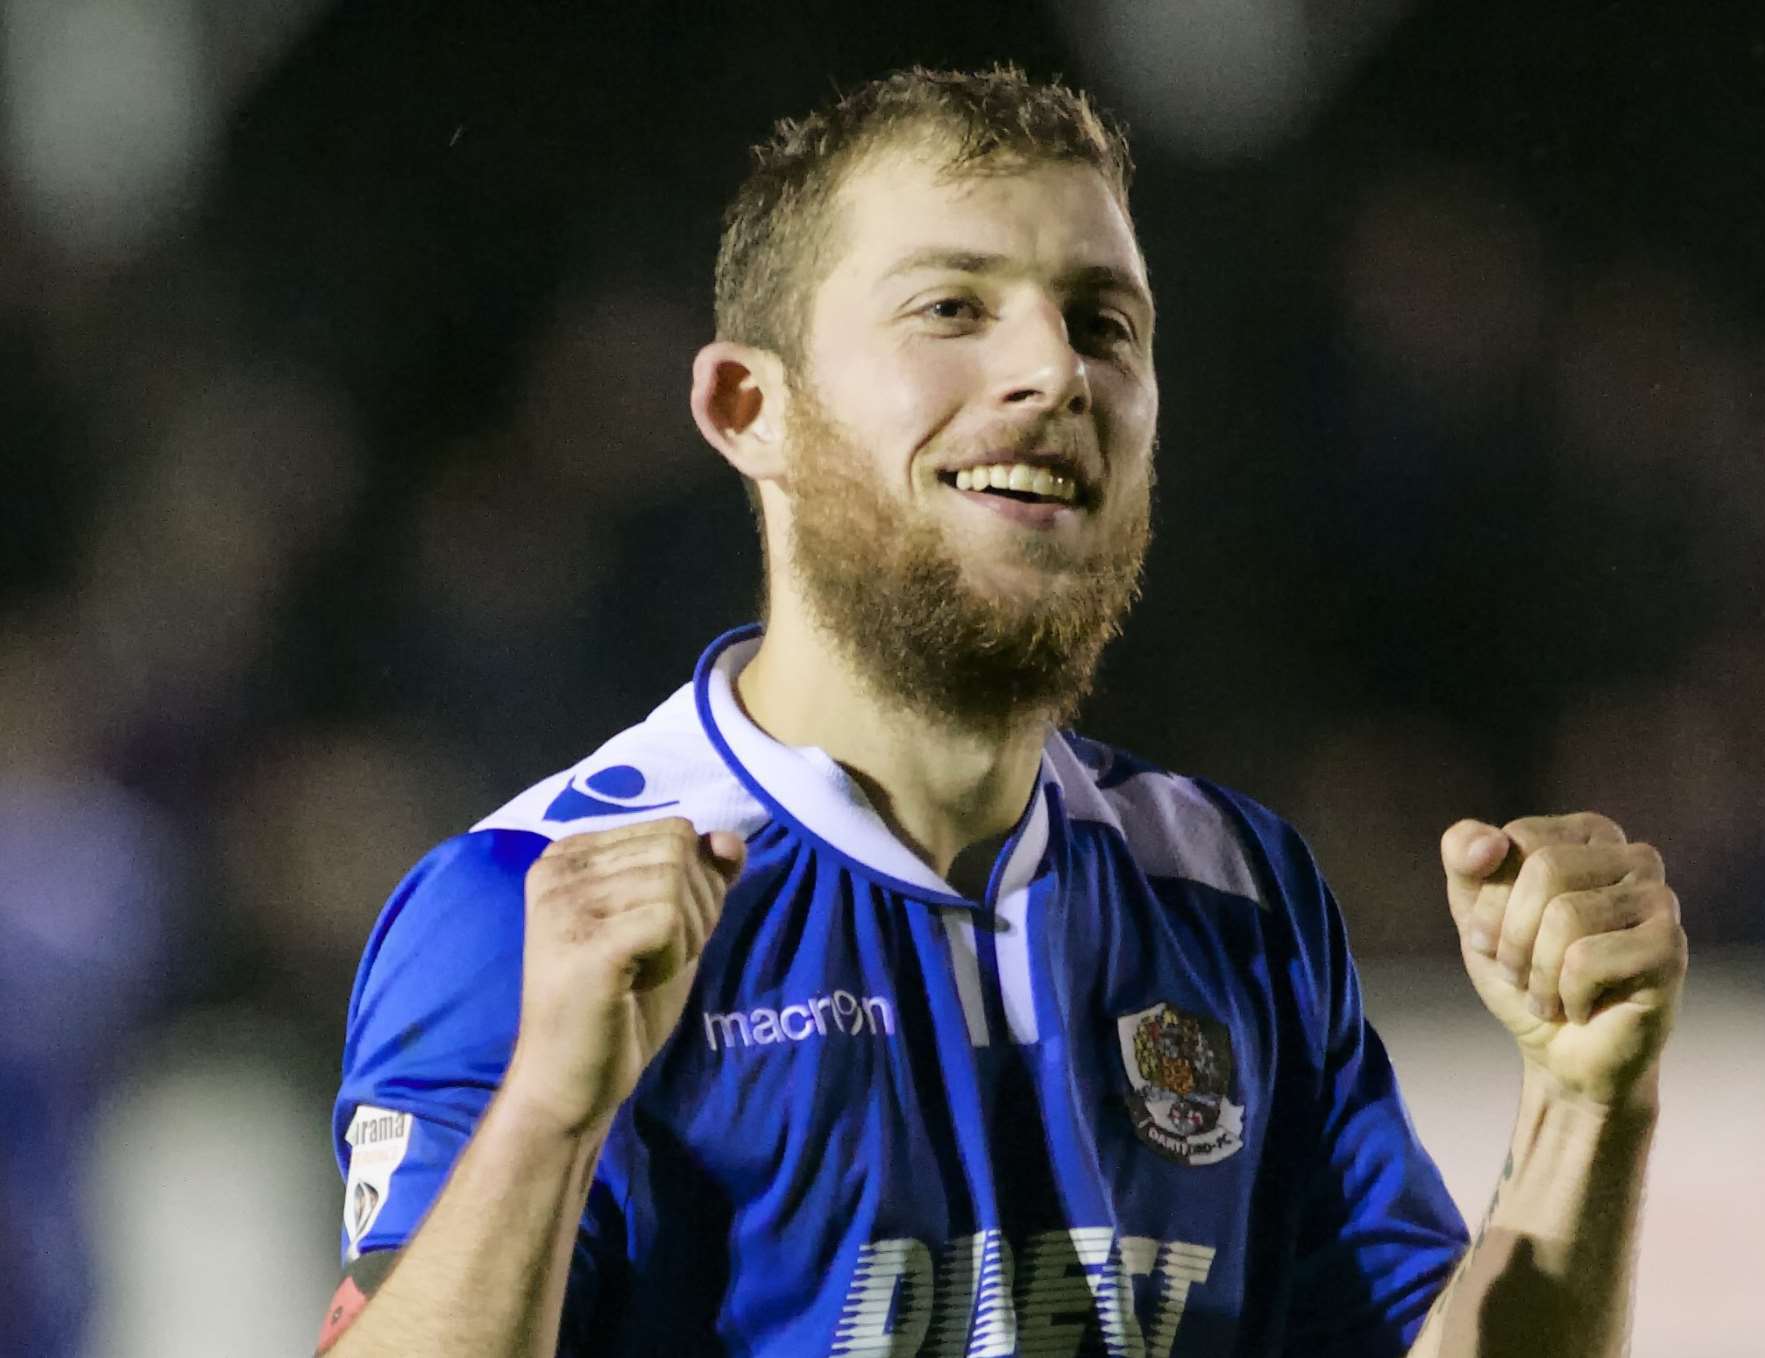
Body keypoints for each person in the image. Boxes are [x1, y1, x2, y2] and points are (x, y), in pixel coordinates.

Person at [317, 66, 1687, 1358]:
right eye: (950, 309)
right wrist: (552, 1107)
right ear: (751, 408)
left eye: (1104, 322)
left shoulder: (1230, 893)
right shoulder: (529, 907)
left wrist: (1585, 1101)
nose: (1053, 372)